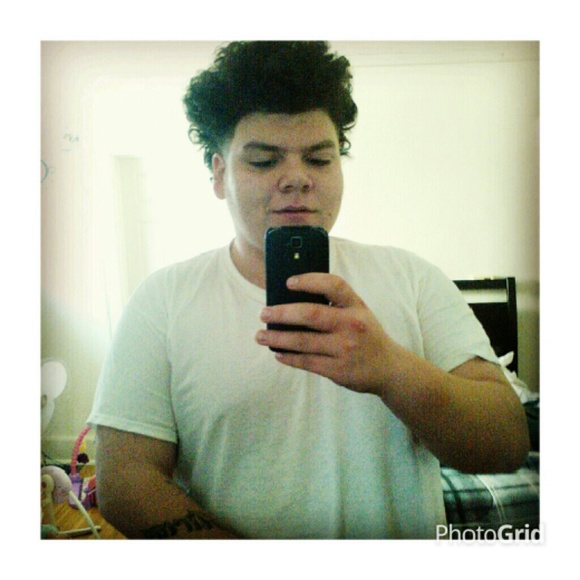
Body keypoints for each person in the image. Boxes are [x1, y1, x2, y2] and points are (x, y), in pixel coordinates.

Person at [88, 41, 529, 539]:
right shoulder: (162, 300)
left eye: (319, 159)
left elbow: (507, 443)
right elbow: (125, 481)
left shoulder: (413, 277)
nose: (296, 179)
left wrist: (390, 369)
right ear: (218, 173)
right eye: (263, 161)